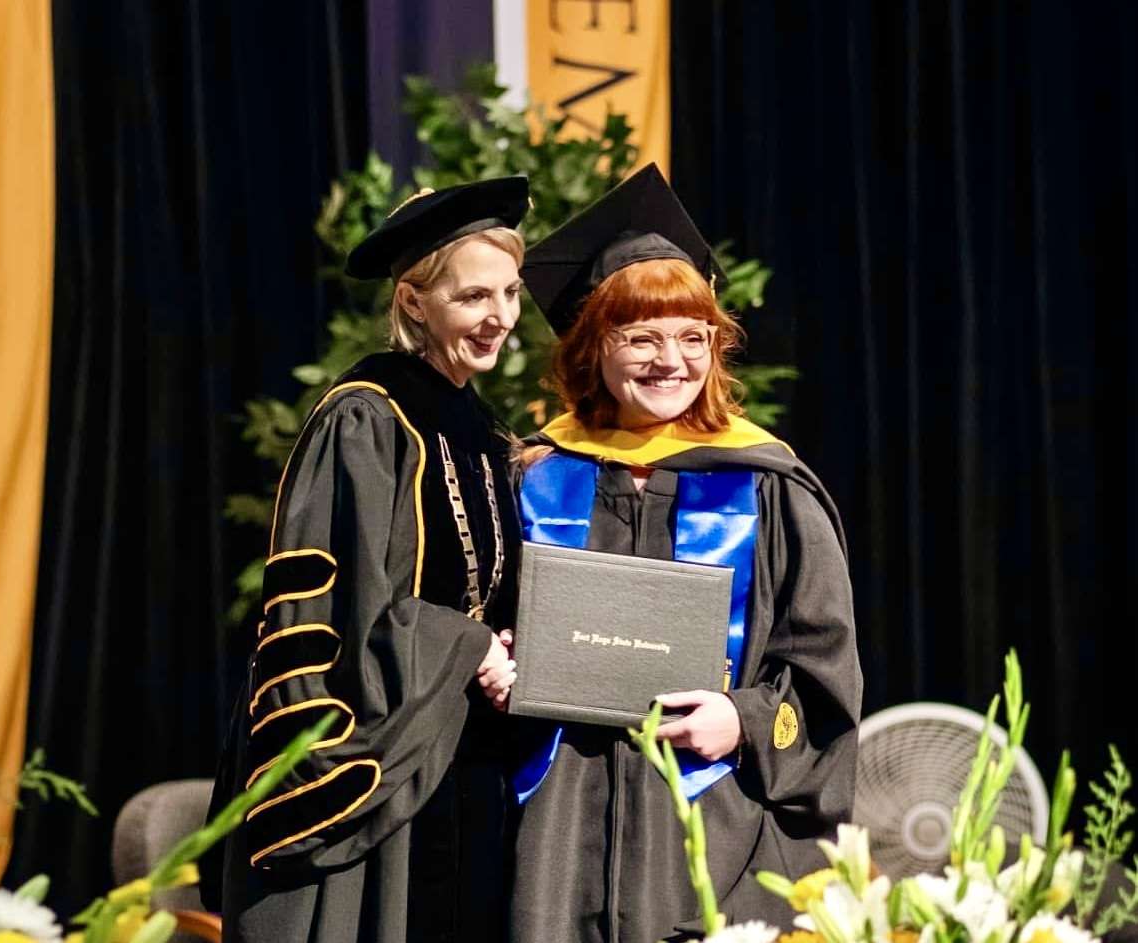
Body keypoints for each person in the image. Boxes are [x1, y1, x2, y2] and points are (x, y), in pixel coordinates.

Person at [510, 164, 863, 942]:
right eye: (638, 336)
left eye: (691, 337)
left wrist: (740, 719)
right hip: (551, 833)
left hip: (715, 827)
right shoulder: (533, 476)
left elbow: (823, 675)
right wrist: (494, 656)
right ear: (591, 347)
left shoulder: (769, 486)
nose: (669, 360)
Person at [205, 177, 529, 943]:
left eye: (510, 292)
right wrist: (472, 644)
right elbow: (335, 613)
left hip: (465, 761)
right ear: (415, 302)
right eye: (473, 296)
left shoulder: (482, 429)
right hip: (378, 771)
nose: (499, 318)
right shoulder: (366, 414)